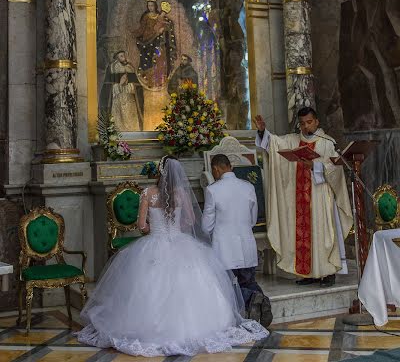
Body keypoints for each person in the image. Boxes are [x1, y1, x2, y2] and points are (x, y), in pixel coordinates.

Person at [77, 156, 268, 356]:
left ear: (159, 172)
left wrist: (154, 230)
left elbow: (141, 224)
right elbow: (191, 220)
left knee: (147, 288)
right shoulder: (181, 194)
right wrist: (176, 228)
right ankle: (210, 323)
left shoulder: (148, 193)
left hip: (154, 243)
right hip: (180, 241)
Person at [255, 107, 353, 286]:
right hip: (298, 198)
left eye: (309, 122)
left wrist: (315, 166)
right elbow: (274, 143)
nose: (305, 126)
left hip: (320, 197)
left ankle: (327, 272)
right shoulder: (293, 140)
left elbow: (336, 170)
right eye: (301, 123)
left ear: (317, 122)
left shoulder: (327, 142)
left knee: (321, 234)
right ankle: (310, 274)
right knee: (302, 233)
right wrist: (262, 131)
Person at [202, 154, 272, 328]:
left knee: (228, 285)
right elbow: (253, 219)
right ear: (230, 166)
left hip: (224, 247)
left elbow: (206, 225)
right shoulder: (248, 187)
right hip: (246, 243)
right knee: (248, 279)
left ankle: (249, 301)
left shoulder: (213, 190)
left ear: (216, 168)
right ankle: (258, 300)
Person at [133, 0, 177, 89]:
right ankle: (149, 80)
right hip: (147, 42)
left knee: (159, 60)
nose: (150, 7)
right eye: (149, 5)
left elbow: (168, 25)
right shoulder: (145, 17)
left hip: (158, 42)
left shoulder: (160, 17)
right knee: (147, 62)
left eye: (152, 5)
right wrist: (134, 33)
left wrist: (164, 29)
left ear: (155, 6)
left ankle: (158, 81)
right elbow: (142, 29)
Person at [99, 50, 144, 131]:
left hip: (129, 96)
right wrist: (119, 84)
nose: (124, 58)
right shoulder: (112, 67)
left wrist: (129, 83)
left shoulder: (130, 67)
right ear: (117, 58)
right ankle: (117, 132)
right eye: (121, 56)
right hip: (118, 96)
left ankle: (133, 130)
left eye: (124, 55)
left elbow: (136, 83)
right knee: (118, 116)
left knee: (130, 114)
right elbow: (108, 84)